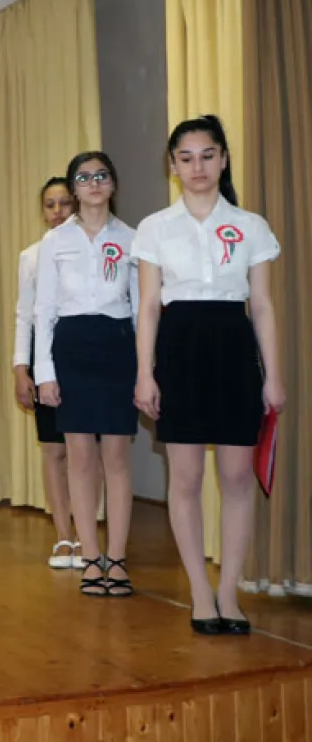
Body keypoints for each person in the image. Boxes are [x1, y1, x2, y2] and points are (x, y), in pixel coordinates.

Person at [133, 116, 283, 636]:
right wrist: (145, 373)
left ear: (223, 159)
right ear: (172, 165)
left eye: (207, 155)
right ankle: (200, 592)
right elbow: (148, 306)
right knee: (187, 478)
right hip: (178, 349)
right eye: (186, 157)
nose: (197, 166)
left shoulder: (251, 225)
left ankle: (229, 593)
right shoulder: (155, 227)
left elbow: (261, 305)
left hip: (234, 349)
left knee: (238, 477)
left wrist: (273, 375)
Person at [36, 152, 140, 597]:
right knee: (79, 458)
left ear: (113, 183)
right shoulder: (54, 241)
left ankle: (116, 558)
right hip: (72, 346)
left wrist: (146, 369)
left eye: (101, 175)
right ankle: (91, 558)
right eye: (84, 177)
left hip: (118, 346)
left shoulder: (133, 238)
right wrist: (44, 372)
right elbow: (44, 310)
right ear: (74, 188)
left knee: (116, 458)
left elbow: (141, 310)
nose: (93, 183)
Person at [14, 177, 80, 569]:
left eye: (65, 203)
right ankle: (64, 536)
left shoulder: (93, 248)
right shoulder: (31, 256)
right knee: (54, 450)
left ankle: (87, 532)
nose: (58, 212)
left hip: (84, 354)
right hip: (45, 358)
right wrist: (21, 368)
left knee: (86, 450)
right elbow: (25, 315)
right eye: (50, 205)